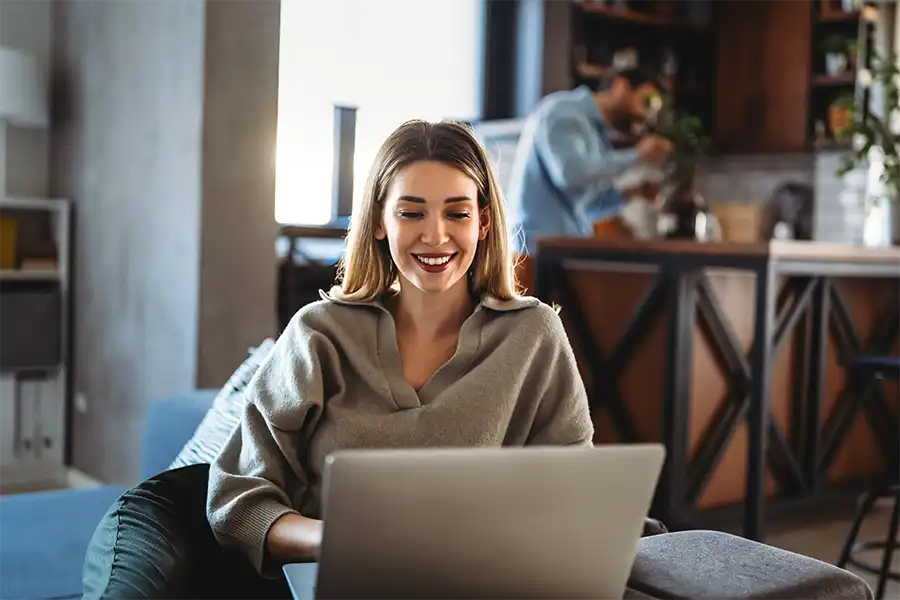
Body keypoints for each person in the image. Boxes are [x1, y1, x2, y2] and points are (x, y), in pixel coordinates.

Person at [82, 120, 662, 600]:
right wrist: (340, 540)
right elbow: (237, 502)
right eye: (411, 212)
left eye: (457, 212)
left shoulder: (534, 335)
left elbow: (570, 496)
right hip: (284, 566)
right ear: (380, 224)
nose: (436, 236)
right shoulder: (319, 335)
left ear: (484, 222)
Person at [507, 64, 675, 253]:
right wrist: (638, 154)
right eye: (647, 103)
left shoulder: (596, 132)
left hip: (564, 248)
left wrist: (633, 192)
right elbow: (571, 174)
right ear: (621, 86)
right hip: (537, 254)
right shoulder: (563, 113)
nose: (647, 117)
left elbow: (588, 207)